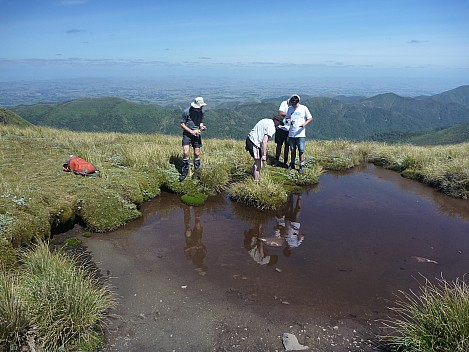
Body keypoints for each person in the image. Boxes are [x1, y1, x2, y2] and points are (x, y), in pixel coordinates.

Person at [245, 115, 283, 180]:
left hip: (249, 139)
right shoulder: (271, 127)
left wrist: (247, 145)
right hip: (255, 143)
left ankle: (253, 174)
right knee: (258, 163)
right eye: (279, 123)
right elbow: (264, 141)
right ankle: (256, 182)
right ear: (276, 121)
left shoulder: (265, 120)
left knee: (258, 161)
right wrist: (264, 155)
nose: (278, 125)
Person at [179, 97, 207, 181]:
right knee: (185, 151)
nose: (201, 108)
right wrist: (191, 131)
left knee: (197, 153)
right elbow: (181, 124)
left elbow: (200, 122)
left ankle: (197, 171)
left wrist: (202, 126)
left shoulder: (202, 112)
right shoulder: (186, 112)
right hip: (187, 134)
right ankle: (185, 171)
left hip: (197, 134)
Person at [285, 94, 313, 173]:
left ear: (297, 102)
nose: (293, 105)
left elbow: (310, 118)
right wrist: (287, 120)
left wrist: (304, 124)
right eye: (292, 104)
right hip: (291, 133)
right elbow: (287, 117)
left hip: (300, 134)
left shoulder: (303, 108)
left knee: (301, 150)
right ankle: (292, 164)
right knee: (292, 150)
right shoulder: (290, 109)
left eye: (294, 104)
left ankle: (301, 166)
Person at [274, 98, 290, 167]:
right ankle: (277, 159)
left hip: (289, 129)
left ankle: (285, 161)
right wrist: (290, 115)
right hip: (281, 128)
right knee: (279, 144)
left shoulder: (296, 106)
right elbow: (280, 112)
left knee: (287, 146)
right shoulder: (284, 103)